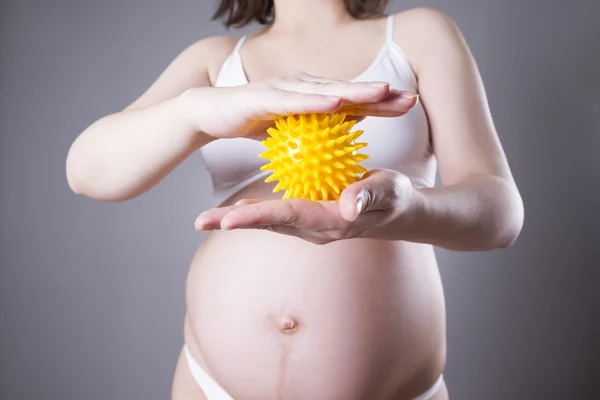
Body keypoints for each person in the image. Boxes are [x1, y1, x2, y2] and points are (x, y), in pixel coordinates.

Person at [65, 0, 524, 398]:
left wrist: (405, 208)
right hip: (209, 385)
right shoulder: (215, 61)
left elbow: (500, 214)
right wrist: (196, 113)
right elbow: (88, 172)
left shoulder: (418, 35)